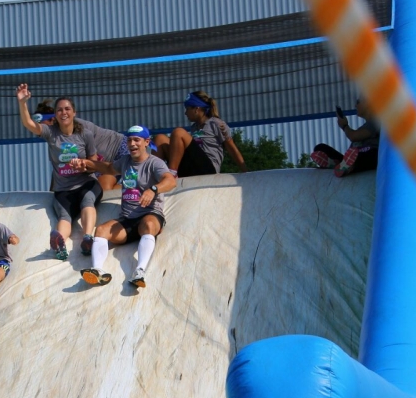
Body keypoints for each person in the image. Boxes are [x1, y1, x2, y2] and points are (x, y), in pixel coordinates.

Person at [70, 125, 176, 287]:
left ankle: (139, 271)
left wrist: (154, 189)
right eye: (129, 140)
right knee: (101, 230)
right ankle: (97, 270)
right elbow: (108, 168)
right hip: (127, 220)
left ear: (146, 142)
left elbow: (170, 181)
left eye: (136, 140)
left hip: (150, 216)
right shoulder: (125, 161)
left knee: (148, 224)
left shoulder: (155, 163)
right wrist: (87, 163)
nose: (132, 144)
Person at [16, 84, 102, 259]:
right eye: (60, 110)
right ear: (55, 114)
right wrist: (22, 103)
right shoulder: (50, 133)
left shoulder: (85, 134)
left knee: (87, 201)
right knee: (64, 216)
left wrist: (84, 164)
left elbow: (95, 162)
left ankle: (87, 238)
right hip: (63, 190)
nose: (64, 112)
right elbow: (29, 123)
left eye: (67, 109)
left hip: (86, 184)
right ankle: (59, 241)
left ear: (74, 112)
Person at [154, 91, 248, 177]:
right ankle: (156, 177)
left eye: (187, 109)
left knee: (178, 132)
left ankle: (171, 174)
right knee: (160, 138)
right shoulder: (194, 127)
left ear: (196, 109)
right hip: (192, 167)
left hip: (208, 169)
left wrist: (246, 172)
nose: (185, 113)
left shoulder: (216, 124)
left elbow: (231, 148)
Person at [310, 98, 380, 177]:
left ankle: (348, 165)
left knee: (369, 155)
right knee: (320, 147)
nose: (355, 105)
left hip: (369, 156)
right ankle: (340, 164)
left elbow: (353, 136)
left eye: (358, 102)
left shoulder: (377, 123)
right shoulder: (364, 127)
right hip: (354, 157)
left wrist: (344, 126)